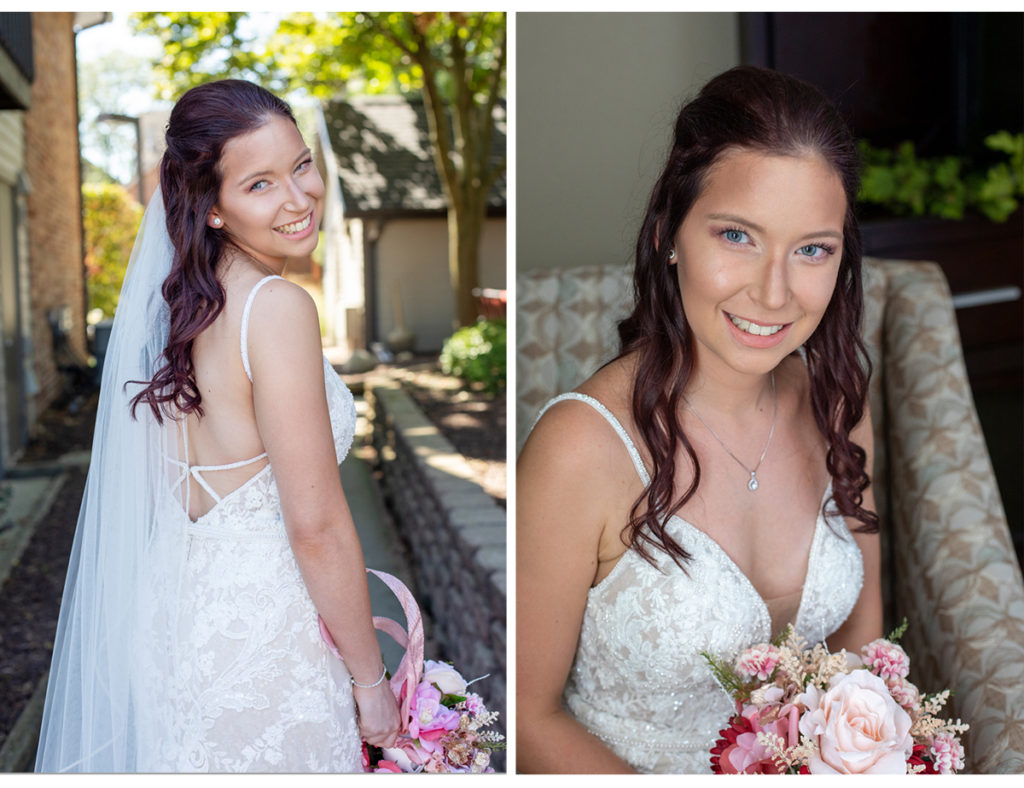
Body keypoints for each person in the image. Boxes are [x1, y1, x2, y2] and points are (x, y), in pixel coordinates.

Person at [517, 65, 882, 773]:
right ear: (669, 232)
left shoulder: (839, 403)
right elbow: (533, 723)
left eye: (812, 249)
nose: (774, 292)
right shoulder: (579, 449)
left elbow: (862, 653)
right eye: (738, 236)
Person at [36, 80, 400, 772]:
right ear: (213, 209)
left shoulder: (176, 316)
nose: (298, 199)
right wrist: (370, 681)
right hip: (267, 636)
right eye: (261, 184)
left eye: (300, 165)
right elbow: (316, 525)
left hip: (174, 619)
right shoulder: (277, 309)